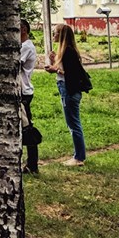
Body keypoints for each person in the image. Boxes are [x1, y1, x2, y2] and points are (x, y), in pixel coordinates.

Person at [45, 24, 87, 166]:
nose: (53, 36)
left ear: (62, 35)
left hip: (69, 90)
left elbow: (71, 74)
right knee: (73, 123)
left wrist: (55, 70)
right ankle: (78, 155)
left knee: (73, 124)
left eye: (55, 33)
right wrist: (55, 63)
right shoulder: (67, 52)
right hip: (67, 88)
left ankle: (79, 157)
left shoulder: (68, 52)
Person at [19, 19, 39, 174]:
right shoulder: (22, 46)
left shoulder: (26, 47)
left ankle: (32, 163)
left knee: (27, 128)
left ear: (24, 29)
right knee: (22, 127)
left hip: (24, 92)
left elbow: (15, 64)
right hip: (21, 90)